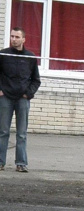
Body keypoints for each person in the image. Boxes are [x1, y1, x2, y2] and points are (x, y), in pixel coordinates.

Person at [0, 27, 41, 173]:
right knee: (3, 131)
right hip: (6, 98)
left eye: (17, 37)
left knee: (22, 132)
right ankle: (0, 162)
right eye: (12, 36)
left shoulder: (30, 57)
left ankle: (21, 163)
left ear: (23, 39)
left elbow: (36, 80)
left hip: (23, 99)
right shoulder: (3, 54)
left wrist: (28, 94)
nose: (14, 39)